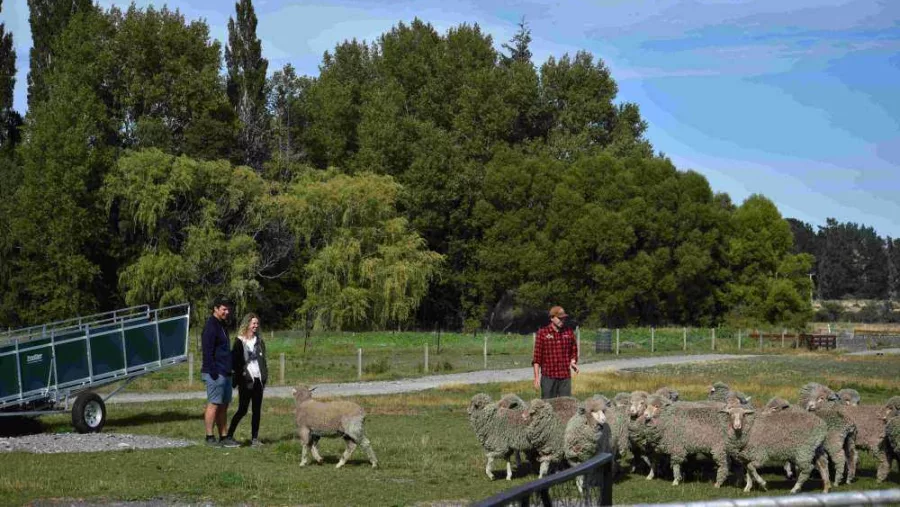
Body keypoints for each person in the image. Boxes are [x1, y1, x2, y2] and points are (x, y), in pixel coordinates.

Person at [225, 312, 269, 447]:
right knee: (242, 410)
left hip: (258, 380)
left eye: (257, 323)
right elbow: (235, 363)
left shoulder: (260, 341)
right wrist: (238, 379)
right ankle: (229, 435)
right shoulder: (239, 341)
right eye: (253, 323)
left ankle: (254, 439)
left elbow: (263, 361)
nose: (256, 326)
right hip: (245, 381)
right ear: (247, 324)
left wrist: (264, 376)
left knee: (257, 410)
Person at [201, 298, 239, 448]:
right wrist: (213, 371)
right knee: (214, 404)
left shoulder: (222, 325)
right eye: (224, 309)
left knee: (224, 405)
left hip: (226, 371)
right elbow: (207, 351)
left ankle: (224, 436)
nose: (227, 312)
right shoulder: (211, 326)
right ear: (215, 309)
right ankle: (209, 437)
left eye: (228, 309)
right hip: (215, 372)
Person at [532, 305, 578, 399]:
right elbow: (537, 359)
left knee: (566, 407)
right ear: (552, 318)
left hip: (564, 377)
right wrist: (536, 377)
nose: (562, 321)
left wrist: (573, 362)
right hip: (548, 377)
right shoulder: (542, 333)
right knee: (547, 406)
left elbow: (574, 351)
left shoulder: (569, 332)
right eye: (560, 318)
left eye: (564, 318)